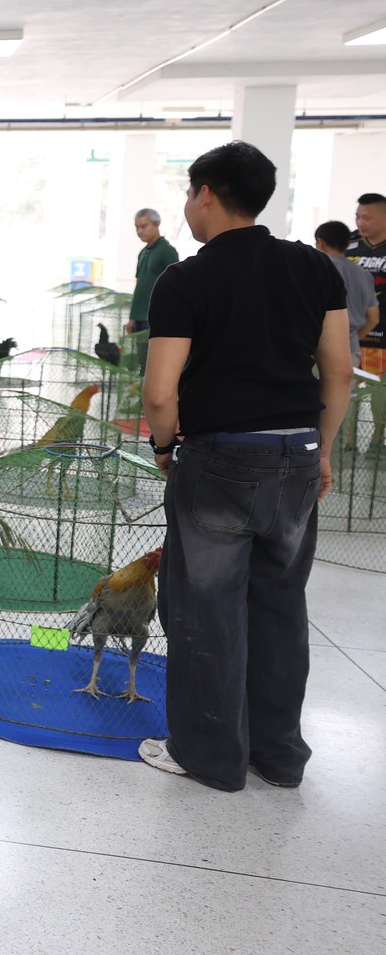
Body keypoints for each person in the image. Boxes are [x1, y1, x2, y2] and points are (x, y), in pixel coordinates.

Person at [139, 142, 350, 791]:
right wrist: (322, 450)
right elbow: (339, 372)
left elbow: (159, 393)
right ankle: (278, 755)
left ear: (205, 193)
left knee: (206, 609)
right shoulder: (314, 267)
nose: (186, 206)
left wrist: (165, 448)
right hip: (297, 455)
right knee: (280, 606)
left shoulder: (187, 279)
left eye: (188, 194)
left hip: (220, 459)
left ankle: (210, 756)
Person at [315, 221, 379, 363]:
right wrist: (351, 338)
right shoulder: (364, 274)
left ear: (320, 242)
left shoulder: (316, 267)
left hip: (318, 348)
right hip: (350, 350)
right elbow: (374, 318)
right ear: (348, 244)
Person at [126, 207, 177, 372]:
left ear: (157, 224)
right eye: (137, 227)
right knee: (142, 362)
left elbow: (176, 285)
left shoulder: (166, 251)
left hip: (154, 318)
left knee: (154, 364)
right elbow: (139, 285)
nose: (139, 231)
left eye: (144, 226)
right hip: (139, 318)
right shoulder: (143, 253)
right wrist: (132, 317)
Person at [349, 192, 386, 373]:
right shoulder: (346, 243)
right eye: (357, 217)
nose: (360, 223)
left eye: (367, 218)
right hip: (350, 340)